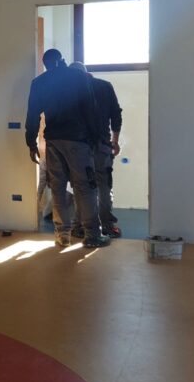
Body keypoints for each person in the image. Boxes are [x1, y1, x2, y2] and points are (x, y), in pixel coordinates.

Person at [25, 49, 110, 249]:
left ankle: (62, 235)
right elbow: (90, 109)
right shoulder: (78, 77)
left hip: (53, 142)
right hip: (78, 141)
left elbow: (32, 116)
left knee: (58, 188)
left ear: (46, 64)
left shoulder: (39, 82)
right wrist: (97, 139)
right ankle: (92, 235)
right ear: (62, 60)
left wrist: (31, 143)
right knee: (85, 187)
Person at [70, 62, 123, 238]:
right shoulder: (104, 86)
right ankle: (107, 225)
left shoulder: (71, 91)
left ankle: (79, 226)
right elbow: (116, 115)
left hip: (79, 147)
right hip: (102, 144)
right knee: (104, 185)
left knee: (81, 186)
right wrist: (115, 141)